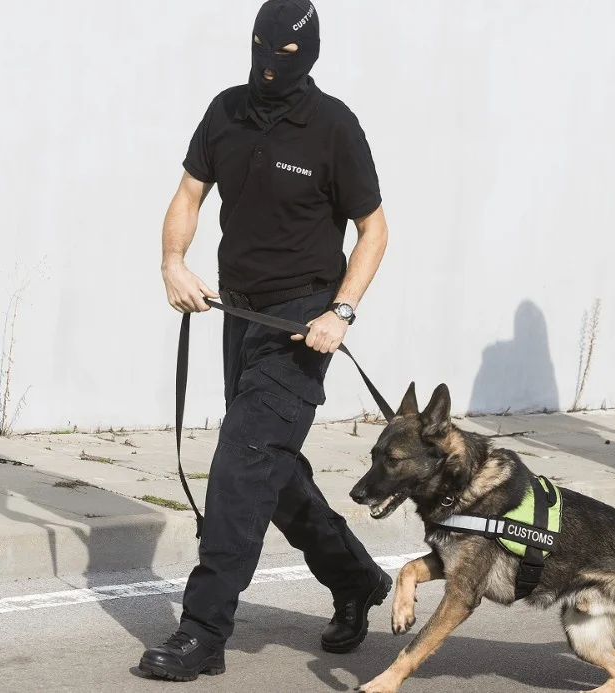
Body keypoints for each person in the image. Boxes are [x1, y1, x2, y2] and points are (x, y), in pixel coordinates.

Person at [141, 0, 392, 681]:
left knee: (242, 466)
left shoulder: (334, 128)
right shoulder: (225, 112)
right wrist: (172, 261)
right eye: (261, 52)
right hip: (240, 316)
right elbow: (190, 193)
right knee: (273, 476)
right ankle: (355, 576)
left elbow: (374, 230)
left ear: (306, 56)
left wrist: (341, 309)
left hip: (304, 324)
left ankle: (203, 630)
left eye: (282, 56)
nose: (268, 69)